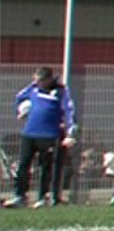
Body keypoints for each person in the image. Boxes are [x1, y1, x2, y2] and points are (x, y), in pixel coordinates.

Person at [5, 67, 77, 209]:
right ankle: (20, 196)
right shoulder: (33, 88)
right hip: (30, 133)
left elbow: (69, 110)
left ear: (49, 79)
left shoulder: (61, 91)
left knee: (46, 167)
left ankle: (43, 197)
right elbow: (19, 97)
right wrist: (20, 109)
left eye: (40, 80)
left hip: (50, 135)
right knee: (23, 164)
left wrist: (71, 131)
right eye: (36, 80)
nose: (37, 83)